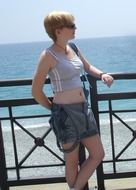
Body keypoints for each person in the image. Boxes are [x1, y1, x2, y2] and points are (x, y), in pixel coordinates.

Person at [32, 11, 114, 190]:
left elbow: (87, 66)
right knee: (72, 161)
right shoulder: (48, 55)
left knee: (98, 154)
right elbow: (36, 90)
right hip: (65, 115)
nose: (75, 28)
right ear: (58, 30)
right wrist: (53, 108)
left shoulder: (74, 48)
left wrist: (102, 74)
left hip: (84, 110)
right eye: (71, 25)